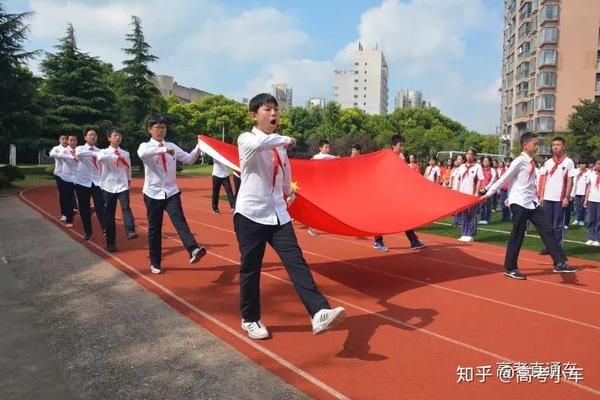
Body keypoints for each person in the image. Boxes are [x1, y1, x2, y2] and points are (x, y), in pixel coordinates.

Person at [234, 93, 346, 339]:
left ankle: (318, 312)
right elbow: (260, 145)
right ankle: (250, 318)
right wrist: (286, 139)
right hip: (251, 214)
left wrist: (289, 193)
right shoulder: (247, 139)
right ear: (254, 115)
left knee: (296, 261)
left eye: (276, 109)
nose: (273, 114)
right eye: (267, 109)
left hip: (277, 215)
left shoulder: (280, 149)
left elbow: (284, 174)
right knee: (250, 269)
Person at [480, 132, 577, 280]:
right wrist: (489, 193)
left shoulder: (532, 162)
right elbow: (504, 178)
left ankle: (559, 262)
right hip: (519, 202)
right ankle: (510, 267)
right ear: (525, 145)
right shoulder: (519, 161)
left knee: (547, 229)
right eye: (535, 144)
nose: (537, 146)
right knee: (517, 234)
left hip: (531, 203)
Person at [137, 114, 207, 274]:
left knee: (179, 221)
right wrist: (162, 149)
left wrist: (199, 146)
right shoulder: (145, 146)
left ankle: (193, 249)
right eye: (157, 128)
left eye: (163, 128)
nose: (160, 131)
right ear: (150, 130)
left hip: (171, 192)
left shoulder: (172, 146)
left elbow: (189, 159)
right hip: (153, 193)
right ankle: (155, 262)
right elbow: (142, 155)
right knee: (155, 229)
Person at [373, 135, 427, 252]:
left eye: (403, 145)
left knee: (405, 216)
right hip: (386, 193)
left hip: (397, 193)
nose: (402, 148)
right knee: (381, 218)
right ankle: (378, 241)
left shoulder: (401, 158)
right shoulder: (387, 157)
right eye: (400, 145)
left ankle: (414, 241)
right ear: (394, 146)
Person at [97, 128, 137, 252]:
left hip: (123, 185)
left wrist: (129, 180)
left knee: (126, 207)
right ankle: (110, 243)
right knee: (109, 214)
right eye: (115, 136)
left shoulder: (125, 153)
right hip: (108, 186)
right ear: (109, 138)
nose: (118, 138)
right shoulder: (104, 152)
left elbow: (128, 168)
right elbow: (100, 158)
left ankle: (130, 230)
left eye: (119, 136)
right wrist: (115, 156)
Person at [537, 137, 575, 254]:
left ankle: (557, 247)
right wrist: (541, 196)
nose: (555, 147)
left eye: (558, 145)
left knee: (558, 225)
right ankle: (547, 246)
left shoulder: (568, 162)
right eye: (553, 145)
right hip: (547, 197)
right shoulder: (548, 162)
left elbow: (570, 180)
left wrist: (566, 197)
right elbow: (543, 179)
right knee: (546, 225)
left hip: (559, 198)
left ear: (564, 146)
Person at [75, 129, 106, 241]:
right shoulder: (80, 148)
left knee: (100, 206)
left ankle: (105, 229)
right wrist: (96, 153)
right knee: (84, 209)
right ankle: (88, 232)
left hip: (97, 182)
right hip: (82, 182)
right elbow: (79, 154)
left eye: (95, 135)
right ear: (85, 137)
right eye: (90, 134)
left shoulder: (100, 150)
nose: (93, 136)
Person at [307, 139, 338, 236]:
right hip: (317, 186)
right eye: (326, 147)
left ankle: (319, 224)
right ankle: (312, 226)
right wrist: (337, 158)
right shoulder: (318, 157)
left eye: (329, 147)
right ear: (320, 148)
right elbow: (326, 157)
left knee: (326, 206)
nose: (328, 149)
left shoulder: (327, 157)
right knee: (317, 207)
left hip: (325, 185)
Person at [457, 148, 484, 242]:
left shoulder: (477, 167)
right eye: (467, 154)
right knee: (464, 214)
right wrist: (457, 191)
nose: (468, 156)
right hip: (463, 193)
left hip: (472, 193)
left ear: (474, 156)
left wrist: (476, 192)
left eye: (471, 154)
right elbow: (459, 180)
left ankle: (471, 234)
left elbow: (480, 179)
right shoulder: (461, 167)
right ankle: (464, 233)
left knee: (472, 214)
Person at [54, 134, 79, 228]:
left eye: (75, 140)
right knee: (68, 199)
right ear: (68, 142)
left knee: (83, 196)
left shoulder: (79, 150)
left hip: (78, 177)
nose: (73, 142)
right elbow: (59, 155)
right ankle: (69, 220)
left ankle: (87, 208)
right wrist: (72, 157)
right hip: (67, 178)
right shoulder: (63, 150)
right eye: (71, 140)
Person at [49, 134, 69, 222]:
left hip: (71, 174)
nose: (65, 141)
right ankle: (64, 214)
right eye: (63, 139)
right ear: (60, 140)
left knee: (77, 191)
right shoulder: (56, 148)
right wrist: (63, 153)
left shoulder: (70, 149)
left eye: (66, 139)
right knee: (63, 194)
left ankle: (77, 207)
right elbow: (51, 154)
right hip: (60, 174)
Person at [583, 159, 600, 246]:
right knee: (591, 219)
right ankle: (590, 237)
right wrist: (586, 200)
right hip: (592, 199)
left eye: (599, 164)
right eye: (597, 164)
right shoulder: (592, 174)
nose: (598, 165)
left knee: (599, 220)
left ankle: (598, 238)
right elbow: (589, 187)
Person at [478, 156, 497, 225]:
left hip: (488, 190)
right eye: (484, 161)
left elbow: (493, 180)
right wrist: (480, 188)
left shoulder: (492, 170)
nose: (485, 162)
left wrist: (486, 188)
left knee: (488, 205)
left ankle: (487, 219)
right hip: (480, 189)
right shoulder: (481, 169)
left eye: (486, 161)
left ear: (489, 162)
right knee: (481, 205)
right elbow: (478, 179)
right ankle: (482, 218)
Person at [570, 160, 589, 226]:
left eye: (583, 164)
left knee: (583, 207)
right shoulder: (576, 171)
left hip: (583, 192)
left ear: (586, 165)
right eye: (581, 164)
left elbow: (588, 184)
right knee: (577, 207)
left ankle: (582, 220)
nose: (582, 165)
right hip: (576, 192)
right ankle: (577, 219)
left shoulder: (588, 173)